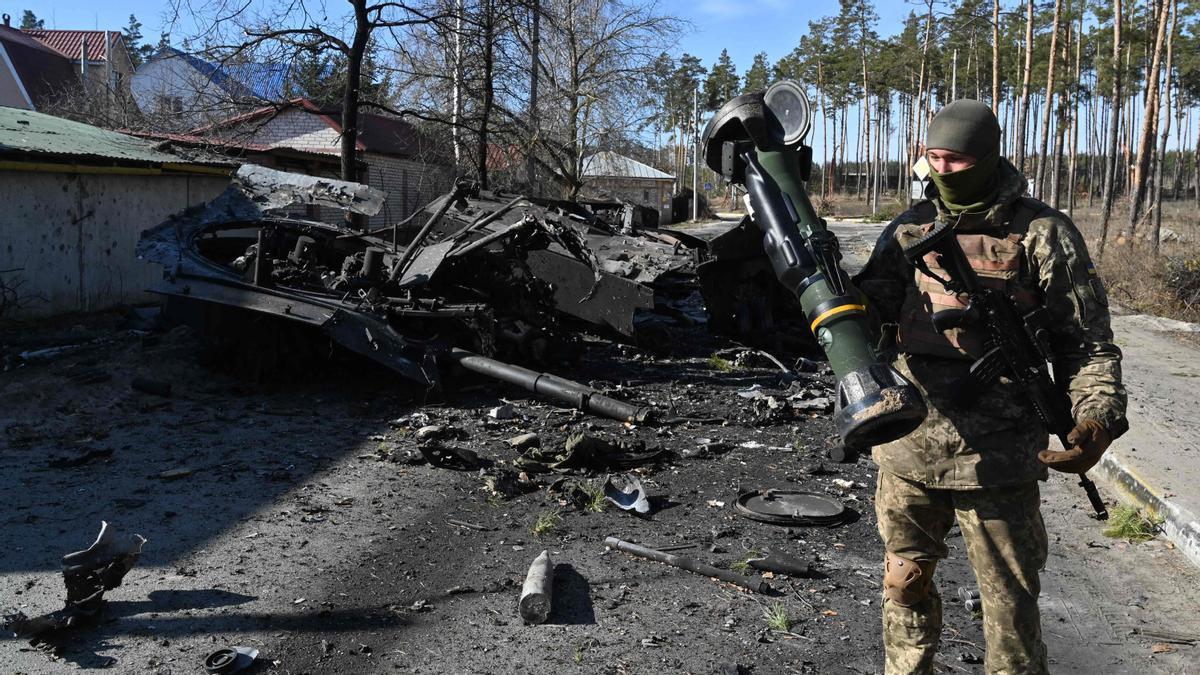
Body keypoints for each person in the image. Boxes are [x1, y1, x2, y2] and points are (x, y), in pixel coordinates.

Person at [853, 99, 1127, 674]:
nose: (943, 171)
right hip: (909, 447)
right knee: (904, 586)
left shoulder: (1043, 233)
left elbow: (1086, 343)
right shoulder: (907, 228)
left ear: (988, 158)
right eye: (934, 158)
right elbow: (866, 318)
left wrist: (1096, 417)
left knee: (1010, 614)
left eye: (958, 161)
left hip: (1000, 456)